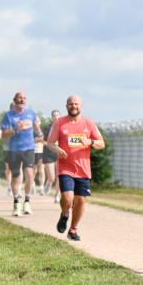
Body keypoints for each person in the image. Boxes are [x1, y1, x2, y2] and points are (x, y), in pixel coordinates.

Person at [47, 95, 105, 242]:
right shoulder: (59, 123)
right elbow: (50, 143)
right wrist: (57, 149)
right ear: (66, 106)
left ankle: (73, 229)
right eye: (71, 104)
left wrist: (90, 141)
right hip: (66, 167)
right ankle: (65, 214)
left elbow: (101, 143)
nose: (74, 106)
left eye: (76, 104)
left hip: (83, 169)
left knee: (80, 201)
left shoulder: (88, 123)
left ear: (81, 106)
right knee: (68, 199)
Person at [1, 93, 42, 215]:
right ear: (14, 100)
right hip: (14, 149)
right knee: (16, 176)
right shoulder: (8, 115)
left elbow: (35, 125)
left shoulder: (31, 113)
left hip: (29, 148)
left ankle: (27, 201)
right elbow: (3, 134)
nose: (22, 100)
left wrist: (39, 133)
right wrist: (15, 130)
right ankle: (16, 203)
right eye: (20, 98)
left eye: (24, 98)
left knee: (30, 174)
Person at [41, 109, 62, 202]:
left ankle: (57, 195)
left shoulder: (63, 127)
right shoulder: (47, 128)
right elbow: (42, 140)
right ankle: (49, 183)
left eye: (57, 115)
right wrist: (50, 144)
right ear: (52, 117)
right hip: (49, 153)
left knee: (59, 175)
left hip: (60, 153)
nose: (56, 116)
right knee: (52, 177)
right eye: (54, 115)